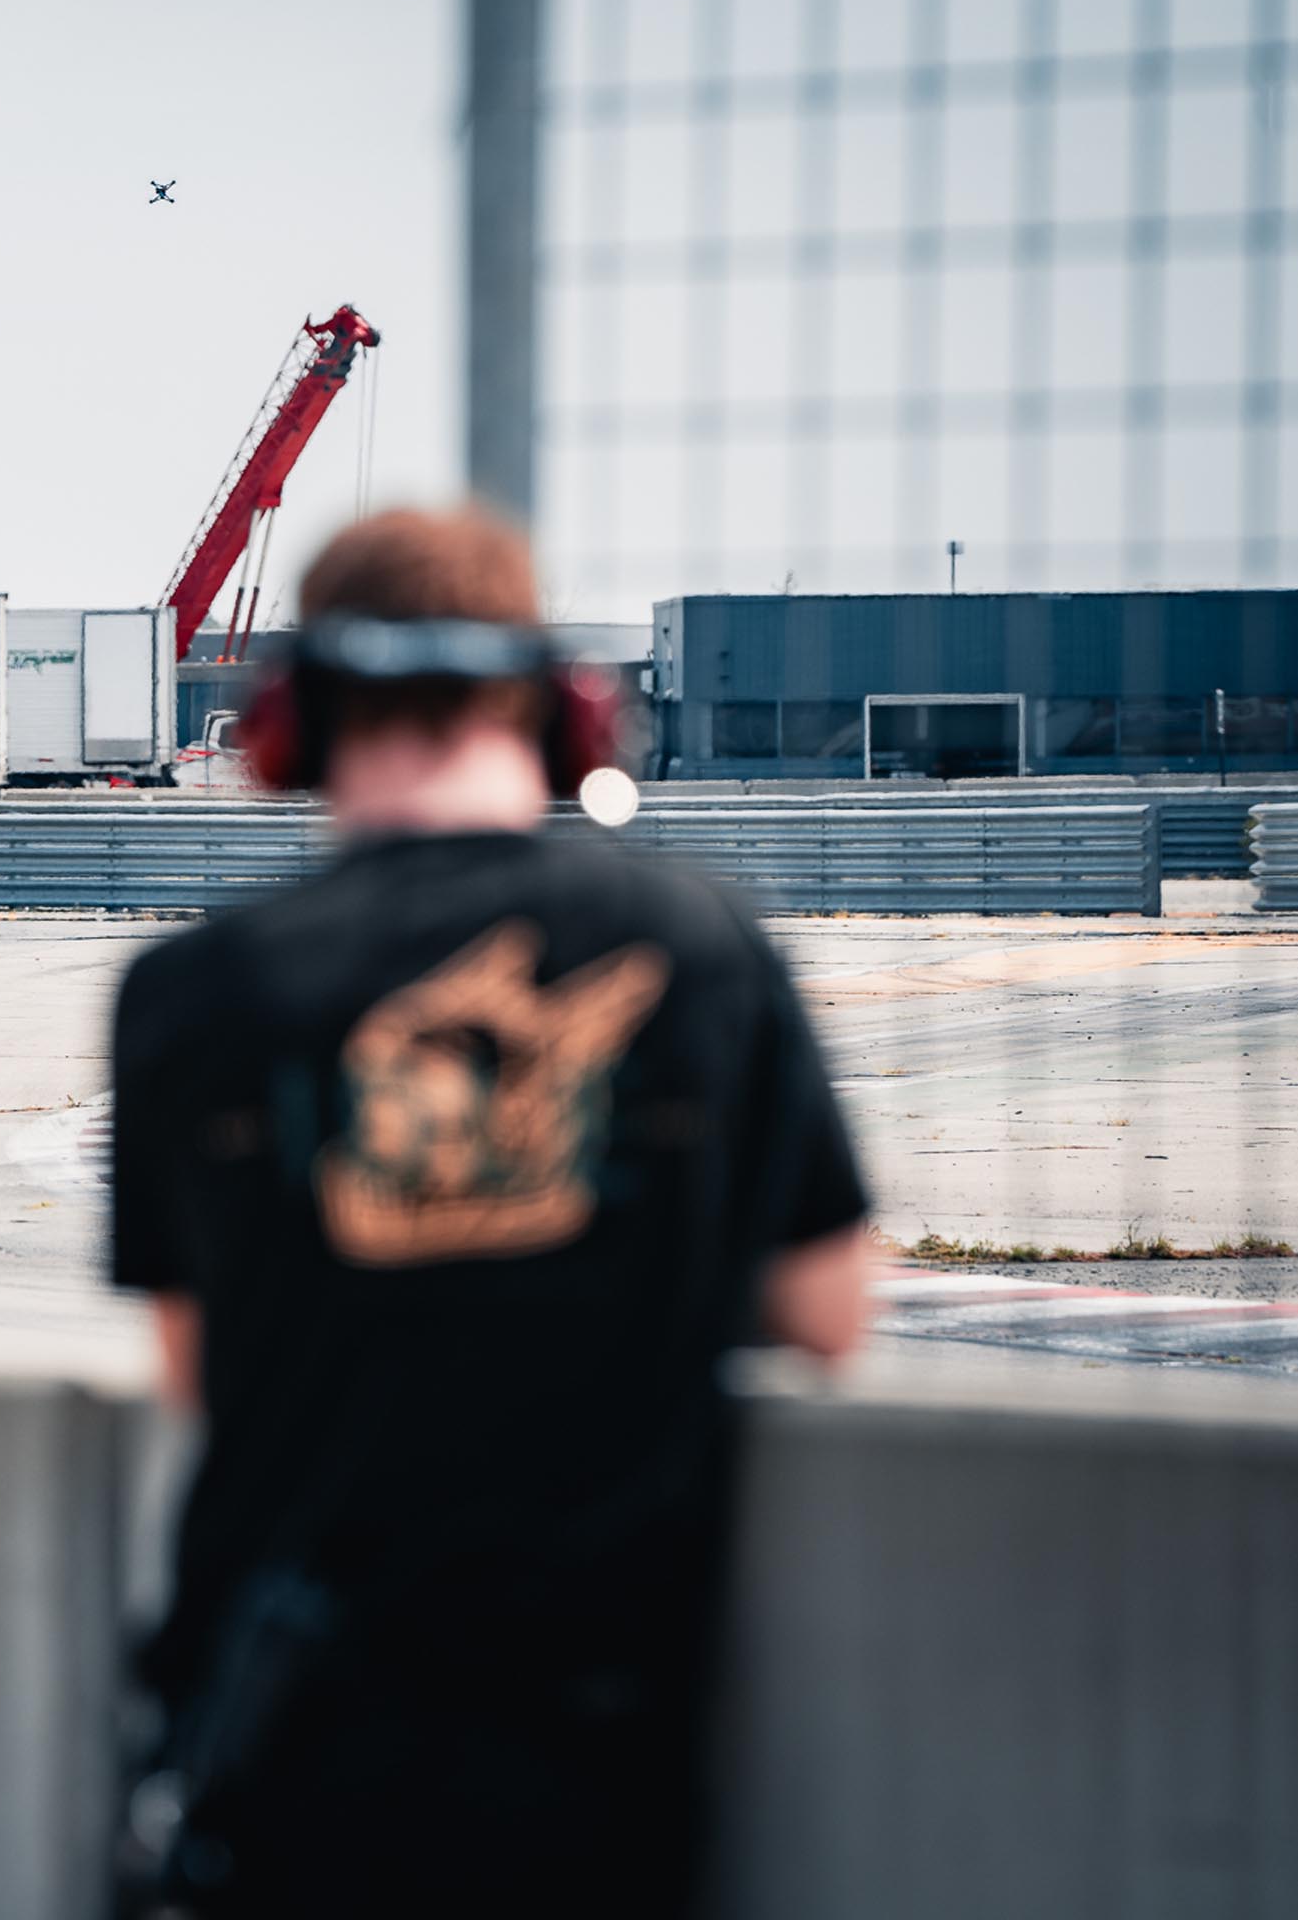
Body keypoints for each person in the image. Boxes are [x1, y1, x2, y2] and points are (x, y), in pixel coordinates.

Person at [109, 505, 871, 1916]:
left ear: (287, 723)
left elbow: (191, 1367)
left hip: (277, 1742)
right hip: (594, 1736)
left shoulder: (192, 993)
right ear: (569, 711)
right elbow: (825, 1322)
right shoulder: (703, 951)